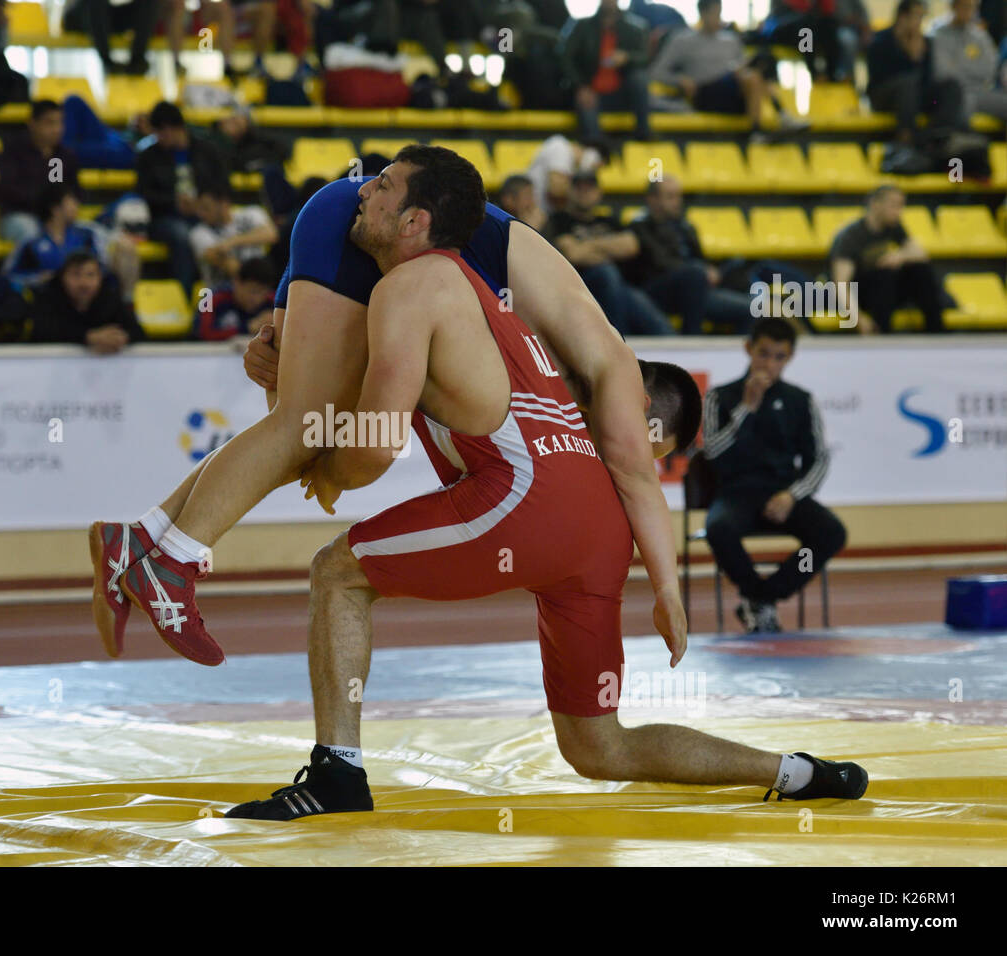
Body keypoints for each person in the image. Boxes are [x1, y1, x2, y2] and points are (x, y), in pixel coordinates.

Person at [213, 154, 865, 818]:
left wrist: (316, 446)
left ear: (415, 221)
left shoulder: (424, 292)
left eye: (380, 191)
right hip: (597, 532)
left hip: (527, 497)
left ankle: (337, 775)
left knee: (337, 574)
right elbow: (636, 475)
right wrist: (667, 591)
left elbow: (376, 431)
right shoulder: (534, 336)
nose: (363, 202)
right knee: (598, 746)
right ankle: (796, 773)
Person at [88, 148, 679, 691]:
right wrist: (668, 593)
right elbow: (636, 477)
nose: (618, 454)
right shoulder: (613, 373)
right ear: (646, 407)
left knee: (296, 421)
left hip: (361, 222)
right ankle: (172, 562)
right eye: (650, 440)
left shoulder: (567, 356)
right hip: (376, 229)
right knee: (301, 425)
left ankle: (140, 539)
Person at [701, 318, 845, 634]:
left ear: (789, 357)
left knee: (831, 533)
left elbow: (818, 459)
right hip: (736, 493)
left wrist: (792, 495)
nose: (769, 363)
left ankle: (764, 598)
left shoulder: (800, 400)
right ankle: (756, 597)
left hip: (783, 493)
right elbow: (711, 453)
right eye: (763, 354)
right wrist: (745, 409)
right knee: (718, 528)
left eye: (779, 356)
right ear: (748, 349)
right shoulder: (719, 397)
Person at [650, 0, 807, 143]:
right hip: (706, 94)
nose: (718, 18)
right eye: (715, 13)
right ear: (703, 13)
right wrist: (680, 80)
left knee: (759, 65)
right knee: (751, 76)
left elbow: (743, 67)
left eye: (720, 13)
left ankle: (759, 130)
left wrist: (742, 68)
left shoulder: (731, 40)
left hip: (737, 93)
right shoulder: (683, 40)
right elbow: (656, 71)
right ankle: (779, 115)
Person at [619, 176, 755, 335]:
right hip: (659, 292)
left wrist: (711, 271)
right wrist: (700, 271)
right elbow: (659, 263)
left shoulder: (685, 226)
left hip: (697, 290)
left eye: (678, 196)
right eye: (670, 196)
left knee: (750, 306)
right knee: (695, 273)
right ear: (652, 199)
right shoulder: (639, 227)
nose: (677, 202)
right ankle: (692, 337)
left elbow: (700, 258)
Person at [545, 170, 673, 336]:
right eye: (579, 188)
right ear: (570, 191)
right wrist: (609, 250)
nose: (585, 193)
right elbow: (573, 254)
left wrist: (587, 246)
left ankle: (674, 345)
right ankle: (620, 339)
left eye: (590, 188)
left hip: (616, 287)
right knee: (607, 272)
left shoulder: (608, 220)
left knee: (632, 296)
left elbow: (631, 246)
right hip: (580, 285)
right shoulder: (559, 220)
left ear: (598, 193)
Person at [135, 102, 229, 294]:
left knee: (221, 231)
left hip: (205, 214)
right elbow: (143, 193)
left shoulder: (207, 150)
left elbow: (223, 184)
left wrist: (206, 202)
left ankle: (223, 292)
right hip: (165, 217)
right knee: (182, 235)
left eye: (161, 132)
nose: (159, 138)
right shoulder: (149, 156)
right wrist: (173, 201)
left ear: (175, 128)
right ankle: (185, 293)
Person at [828, 184, 944, 333]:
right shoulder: (850, 236)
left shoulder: (893, 227)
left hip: (885, 293)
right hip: (860, 296)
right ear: (875, 205)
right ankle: (883, 334)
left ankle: (936, 331)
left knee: (921, 270)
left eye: (901, 206)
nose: (899, 212)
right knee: (884, 275)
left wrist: (900, 256)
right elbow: (841, 285)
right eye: (894, 205)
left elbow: (921, 254)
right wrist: (859, 319)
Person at [867, 0, 966, 144]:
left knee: (951, 86)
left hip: (915, 96)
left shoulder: (925, 43)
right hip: (885, 97)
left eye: (922, 17)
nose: (919, 22)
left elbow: (927, 78)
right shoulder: (881, 40)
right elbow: (879, 77)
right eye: (916, 16)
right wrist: (907, 55)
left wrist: (918, 58)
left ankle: (937, 135)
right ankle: (906, 139)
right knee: (908, 83)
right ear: (902, 17)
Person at [0, 100, 82, 247]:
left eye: (60, 123)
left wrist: (68, 204)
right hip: (19, 216)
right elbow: (9, 191)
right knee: (32, 232)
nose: (56, 129)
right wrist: (47, 206)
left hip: (55, 217)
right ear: (32, 123)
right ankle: (33, 270)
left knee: (82, 233)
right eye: (49, 123)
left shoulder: (64, 156)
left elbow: (74, 190)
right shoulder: (14, 151)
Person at [567, 0, 653, 144]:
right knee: (586, 103)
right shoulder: (582, 26)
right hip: (592, 90)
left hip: (622, 93)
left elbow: (645, 58)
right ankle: (597, 149)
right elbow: (566, 57)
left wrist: (627, 57)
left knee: (639, 78)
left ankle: (644, 136)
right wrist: (580, 86)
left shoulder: (636, 28)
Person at [29, 249, 145, 352]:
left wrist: (122, 338)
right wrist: (88, 337)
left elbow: (138, 332)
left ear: (100, 277)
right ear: (62, 277)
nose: (84, 283)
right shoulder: (48, 296)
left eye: (91, 275)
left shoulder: (109, 296)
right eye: (76, 275)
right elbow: (42, 331)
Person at [932, 0, 1007, 121]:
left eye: (973, 8)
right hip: (955, 94)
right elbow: (943, 72)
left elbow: (990, 69)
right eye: (965, 7)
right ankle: (961, 137)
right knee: (964, 102)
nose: (969, 12)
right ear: (954, 7)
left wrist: (957, 64)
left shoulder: (980, 36)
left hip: (981, 92)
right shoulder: (938, 35)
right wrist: (973, 66)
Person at [189, 183, 279, 285]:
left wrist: (233, 241)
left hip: (258, 286)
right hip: (220, 291)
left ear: (224, 204)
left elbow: (271, 234)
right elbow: (232, 268)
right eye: (199, 208)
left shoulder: (251, 212)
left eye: (206, 208)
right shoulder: (198, 232)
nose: (201, 214)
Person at [195, 255, 276, 340]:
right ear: (237, 282)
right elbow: (202, 334)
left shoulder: (274, 302)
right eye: (253, 291)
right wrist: (247, 328)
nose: (258, 298)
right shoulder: (210, 299)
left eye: (264, 293)